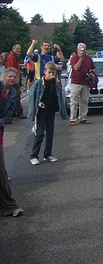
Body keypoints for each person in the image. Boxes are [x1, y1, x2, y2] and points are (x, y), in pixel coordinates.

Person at [28, 61, 68, 165]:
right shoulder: (38, 83)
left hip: (51, 110)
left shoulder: (56, 83)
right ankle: (34, 155)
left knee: (50, 133)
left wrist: (63, 112)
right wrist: (38, 103)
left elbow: (59, 97)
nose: (52, 75)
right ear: (44, 72)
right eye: (50, 72)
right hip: (41, 112)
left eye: (53, 72)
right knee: (40, 133)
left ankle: (47, 154)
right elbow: (32, 97)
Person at [0, 68, 24, 217]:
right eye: (9, 76)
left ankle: (8, 206)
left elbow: (8, 113)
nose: (12, 78)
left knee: (1, 172)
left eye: (14, 77)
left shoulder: (13, 93)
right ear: (3, 76)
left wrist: (2, 121)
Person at [69, 43, 95, 125]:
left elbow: (93, 67)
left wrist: (92, 73)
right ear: (77, 50)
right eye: (81, 49)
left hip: (86, 83)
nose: (82, 51)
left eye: (83, 49)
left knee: (84, 101)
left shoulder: (89, 58)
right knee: (74, 101)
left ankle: (83, 118)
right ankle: (73, 119)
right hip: (76, 83)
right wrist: (80, 59)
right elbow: (76, 68)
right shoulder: (74, 58)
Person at [5, 44, 27, 120]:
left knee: (15, 95)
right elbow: (11, 69)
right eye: (17, 49)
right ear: (13, 49)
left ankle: (14, 112)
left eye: (20, 49)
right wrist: (15, 78)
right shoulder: (11, 57)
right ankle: (19, 112)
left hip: (16, 78)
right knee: (16, 95)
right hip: (14, 79)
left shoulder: (14, 57)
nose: (19, 51)